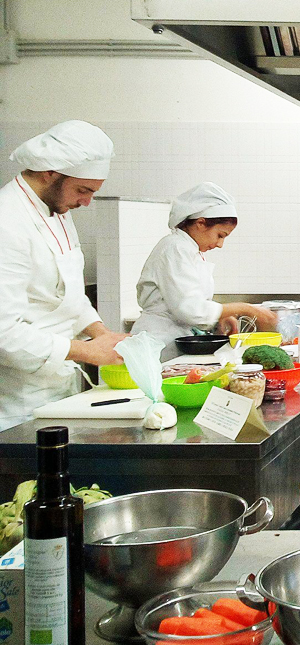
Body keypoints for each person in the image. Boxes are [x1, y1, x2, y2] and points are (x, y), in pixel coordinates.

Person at [0, 121, 127, 429]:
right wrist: (87, 351)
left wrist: (101, 334)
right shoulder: (7, 221)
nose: (87, 202)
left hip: (60, 387)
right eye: (83, 190)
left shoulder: (57, 210)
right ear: (49, 172)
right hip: (17, 402)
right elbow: (4, 333)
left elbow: (71, 293)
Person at [132, 183, 277, 360]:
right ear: (201, 223)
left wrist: (219, 317)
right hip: (158, 343)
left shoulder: (190, 250)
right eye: (220, 235)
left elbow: (191, 300)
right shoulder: (175, 248)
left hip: (175, 342)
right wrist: (246, 309)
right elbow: (190, 309)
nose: (220, 244)